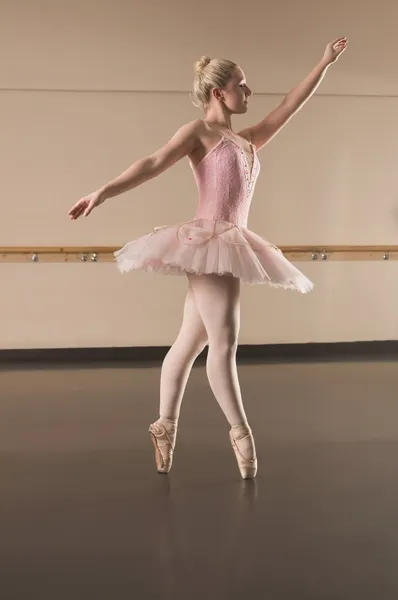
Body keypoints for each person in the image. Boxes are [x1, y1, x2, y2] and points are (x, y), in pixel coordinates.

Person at [69, 37, 347, 479]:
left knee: (190, 342)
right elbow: (152, 161)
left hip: (232, 239)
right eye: (242, 85)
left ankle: (163, 427)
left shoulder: (248, 138)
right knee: (224, 343)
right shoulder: (198, 133)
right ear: (220, 93)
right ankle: (241, 433)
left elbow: (290, 106)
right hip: (209, 241)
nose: (249, 92)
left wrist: (325, 62)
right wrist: (103, 191)